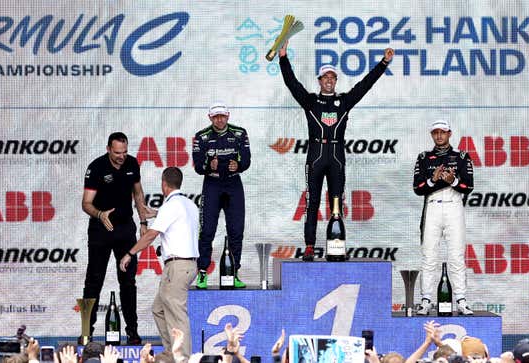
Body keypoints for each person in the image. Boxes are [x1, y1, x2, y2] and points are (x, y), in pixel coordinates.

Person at [278, 41, 394, 261]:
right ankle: (310, 246)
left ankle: (337, 246)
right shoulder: (310, 101)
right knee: (312, 200)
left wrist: (384, 63)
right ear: (320, 81)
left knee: (337, 201)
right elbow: (291, 83)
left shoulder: (345, 101)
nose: (329, 81)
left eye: (333, 77)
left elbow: (365, 84)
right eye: (325, 77)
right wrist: (283, 58)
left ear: (335, 81)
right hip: (316, 154)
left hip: (336, 156)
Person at [82, 132, 155, 344]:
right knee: (93, 281)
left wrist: (143, 222)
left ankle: (132, 332)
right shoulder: (96, 167)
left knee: (128, 282)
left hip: (125, 230)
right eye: (117, 153)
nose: (122, 156)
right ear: (108, 149)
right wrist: (99, 214)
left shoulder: (132, 163)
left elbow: (138, 194)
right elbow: (86, 203)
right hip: (100, 229)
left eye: (124, 152)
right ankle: (86, 332)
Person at [119, 167, 199, 359]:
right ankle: (172, 353)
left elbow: (150, 237)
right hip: (184, 266)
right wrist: (157, 213)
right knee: (159, 309)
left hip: (177, 267)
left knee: (177, 316)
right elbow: (178, 223)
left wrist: (130, 253)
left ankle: (182, 358)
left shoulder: (170, 206)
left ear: (164, 184)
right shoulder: (189, 205)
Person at [413, 120, 474, 315]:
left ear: (450, 133)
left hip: (454, 207)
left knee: (456, 256)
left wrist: (453, 181)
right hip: (432, 206)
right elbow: (418, 188)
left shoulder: (462, 156)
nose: (439, 136)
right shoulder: (424, 157)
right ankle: (426, 300)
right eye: (435, 133)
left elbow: (469, 186)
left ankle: (461, 300)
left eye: (443, 132)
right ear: (432, 135)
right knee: (429, 256)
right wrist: (434, 180)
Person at [192, 101, 251, 288]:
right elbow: (197, 166)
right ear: (210, 117)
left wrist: (239, 165)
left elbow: (247, 159)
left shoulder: (239, 133)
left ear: (228, 116)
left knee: (236, 230)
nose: (219, 119)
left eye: (222, 116)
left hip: (233, 184)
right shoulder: (201, 137)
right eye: (215, 116)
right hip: (212, 184)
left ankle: (234, 273)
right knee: (207, 230)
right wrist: (209, 165)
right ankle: (202, 272)